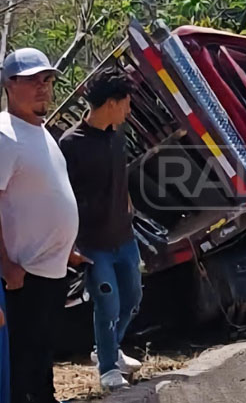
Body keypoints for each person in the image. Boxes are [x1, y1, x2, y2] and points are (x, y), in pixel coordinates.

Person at [0, 48, 82, 403]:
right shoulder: (5, 135)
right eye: (32, 80)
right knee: (23, 359)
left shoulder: (41, 131)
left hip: (52, 267)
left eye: (46, 80)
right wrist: (5, 264)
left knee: (44, 350)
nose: (42, 87)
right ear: (9, 84)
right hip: (24, 272)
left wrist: (67, 249)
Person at [59, 69, 143, 390]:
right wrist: (71, 245)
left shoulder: (117, 135)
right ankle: (108, 368)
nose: (129, 111)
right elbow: (62, 197)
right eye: (126, 104)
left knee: (132, 297)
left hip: (124, 237)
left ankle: (108, 348)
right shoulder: (71, 144)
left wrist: (128, 205)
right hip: (92, 244)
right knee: (107, 302)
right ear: (111, 103)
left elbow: (120, 177)